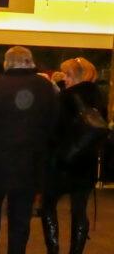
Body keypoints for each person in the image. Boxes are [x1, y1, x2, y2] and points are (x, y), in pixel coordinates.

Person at [0, 46, 57, 254]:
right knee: (20, 220)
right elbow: (53, 127)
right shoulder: (45, 88)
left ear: (6, 63)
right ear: (30, 62)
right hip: (28, 167)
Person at [41, 57, 106, 254]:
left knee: (48, 206)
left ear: (77, 76)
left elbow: (54, 131)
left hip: (61, 163)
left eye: (68, 75)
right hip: (86, 163)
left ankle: (54, 249)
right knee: (79, 210)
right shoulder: (99, 97)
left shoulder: (65, 98)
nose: (65, 79)